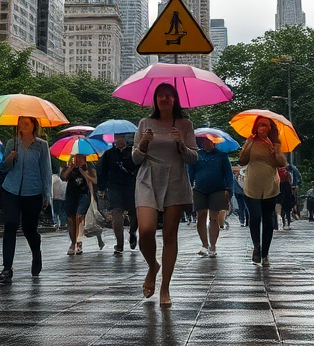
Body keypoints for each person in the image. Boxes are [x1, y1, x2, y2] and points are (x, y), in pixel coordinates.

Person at [132, 83, 197, 308]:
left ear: (175, 99)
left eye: (169, 95)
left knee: (170, 235)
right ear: (155, 99)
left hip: (175, 179)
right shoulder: (145, 123)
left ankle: (165, 287)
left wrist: (181, 144)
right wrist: (142, 144)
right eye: (161, 95)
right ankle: (153, 266)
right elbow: (135, 158)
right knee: (146, 231)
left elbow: (192, 159)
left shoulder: (185, 125)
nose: (165, 99)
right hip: (148, 177)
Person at [0, 116, 52, 282]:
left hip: (33, 191)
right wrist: (9, 158)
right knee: (11, 224)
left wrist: (47, 194)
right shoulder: (11, 143)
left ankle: (36, 252)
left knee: (29, 229)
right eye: (21, 121)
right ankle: (7, 268)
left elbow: (46, 170)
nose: (24, 124)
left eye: (28, 121)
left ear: (34, 124)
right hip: (11, 189)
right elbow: (2, 167)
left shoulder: (41, 145)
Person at [238, 116, 285, 266]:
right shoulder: (251, 141)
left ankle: (265, 253)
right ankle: (256, 247)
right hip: (252, 185)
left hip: (270, 185)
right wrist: (247, 145)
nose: (262, 128)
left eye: (265, 125)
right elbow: (242, 161)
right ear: (255, 127)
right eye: (259, 125)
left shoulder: (275, 143)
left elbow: (282, 163)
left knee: (268, 219)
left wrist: (275, 152)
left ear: (270, 128)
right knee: (255, 216)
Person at [188, 135, 232, 257]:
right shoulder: (196, 156)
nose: (206, 143)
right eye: (204, 140)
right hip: (199, 189)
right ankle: (204, 244)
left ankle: (213, 245)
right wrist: (189, 187)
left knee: (214, 217)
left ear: (214, 142)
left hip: (217, 189)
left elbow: (228, 174)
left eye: (209, 140)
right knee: (200, 215)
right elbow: (190, 173)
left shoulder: (222, 156)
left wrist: (229, 190)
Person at [98, 133, 139, 255]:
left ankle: (132, 233)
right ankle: (119, 244)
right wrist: (101, 187)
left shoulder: (133, 152)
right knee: (116, 211)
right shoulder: (109, 154)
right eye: (116, 138)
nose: (118, 140)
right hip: (114, 186)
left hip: (131, 185)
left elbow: (138, 166)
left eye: (121, 137)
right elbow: (102, 171)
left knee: (133, 212)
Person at [62, 153, 97, 255]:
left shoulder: (88, 167)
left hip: (83, 194)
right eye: (76, 156)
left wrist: (84, 172)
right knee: (71, 218)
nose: (78, 159)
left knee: (80, 216)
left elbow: (94, 180)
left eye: (81, 156)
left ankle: (79, 241)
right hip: (71, 194)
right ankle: (73, 242)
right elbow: (63, 177)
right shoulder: (69, 165)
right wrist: (69, 168)